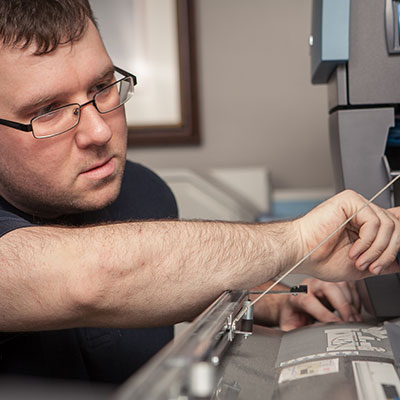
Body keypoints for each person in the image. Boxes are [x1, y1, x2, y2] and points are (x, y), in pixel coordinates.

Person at [0, 0, 399, 385]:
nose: (100, 132)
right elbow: (85, 279)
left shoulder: (142, 192)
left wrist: (277, 296)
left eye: (103, 87)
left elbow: (154, 286)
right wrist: (297, 241)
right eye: (47, 110)